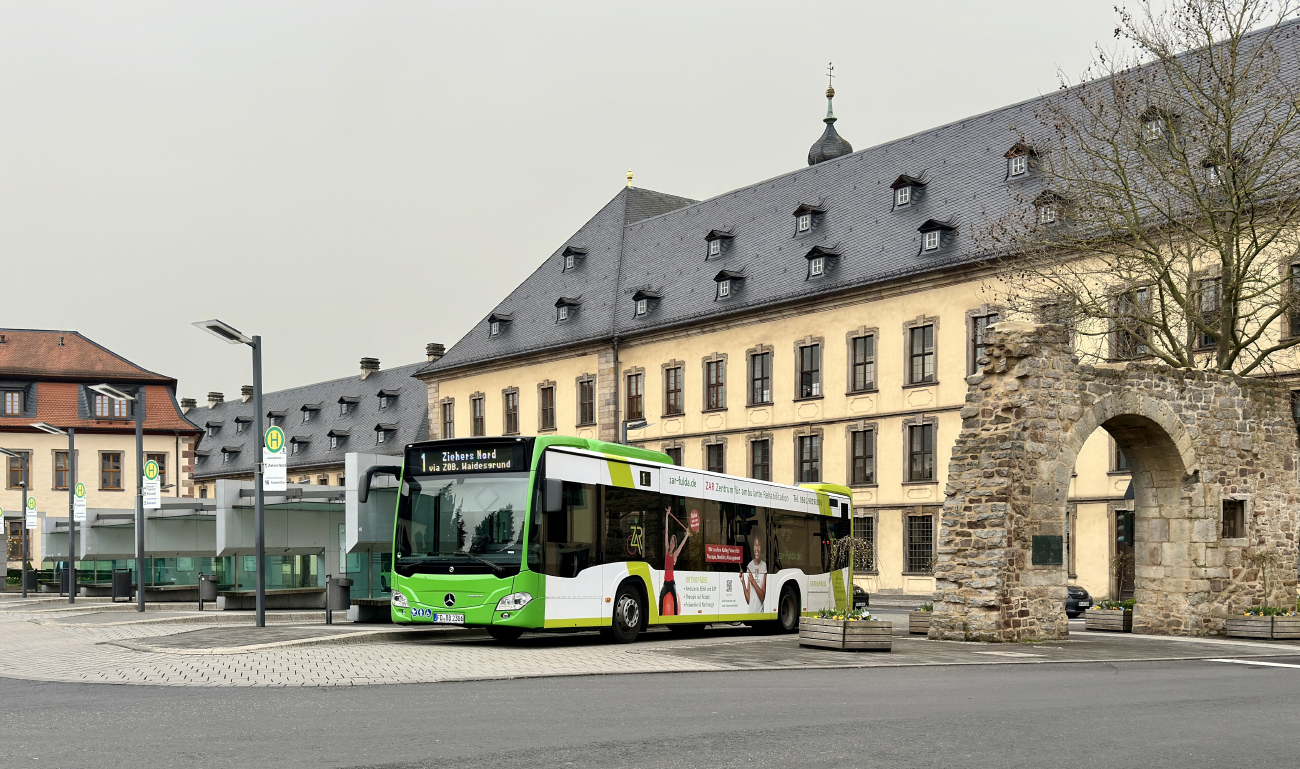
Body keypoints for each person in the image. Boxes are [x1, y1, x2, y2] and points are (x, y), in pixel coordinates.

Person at [660, 508, 691, 616]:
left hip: (671, 583)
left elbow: (682, 545)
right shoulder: (667, 549)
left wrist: (686, 534)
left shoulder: (675, 554)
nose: (672, 542)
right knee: (661, 598)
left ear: (675, 543)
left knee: (675, 603)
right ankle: (660, 616)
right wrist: (667, 516)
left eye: (673, 541)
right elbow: (666, 533)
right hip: (665, 583)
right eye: (671, 541)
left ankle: (676, 617)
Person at [740, 535, 767, 614]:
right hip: (751, 613)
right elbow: (749, 600)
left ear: (761, 547)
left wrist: (753, 581)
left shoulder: (764, 566)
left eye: (759, 545)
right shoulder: (750, 566)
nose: (757, 548)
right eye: (755, 544)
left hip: (760, 614)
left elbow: (762, 597)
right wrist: (743, 582)